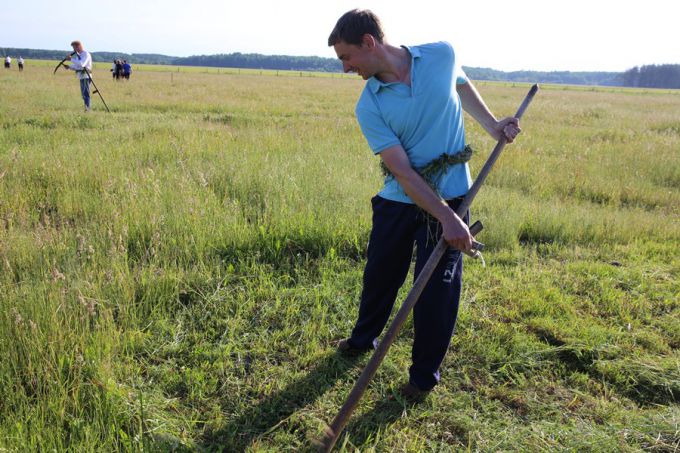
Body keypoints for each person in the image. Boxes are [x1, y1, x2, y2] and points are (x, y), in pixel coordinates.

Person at [328, 9, 521, 399]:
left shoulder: (441, 55)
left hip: (453, 194)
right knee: (381, 275)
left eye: (347, 58)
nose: (346, 69)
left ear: (369, 42)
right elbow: (403, 172)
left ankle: (422, 378)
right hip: (400, 201)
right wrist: (447, 218)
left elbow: (461, 84)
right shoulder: (369, 105)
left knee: (437, 291)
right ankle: (363, 339)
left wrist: (492, 125)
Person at [62, 40, 93, 111]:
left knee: (85, 93)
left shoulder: (85, 54)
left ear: (78, 46)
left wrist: (71, 59)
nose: (73, 50)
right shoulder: (79, 55)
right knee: (83, 94)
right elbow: (77, 66)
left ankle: (88, 109)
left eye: (74, 48)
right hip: (82, 76)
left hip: (86, 76)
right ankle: (87, 108)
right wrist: (69, 67)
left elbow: (82, 64)